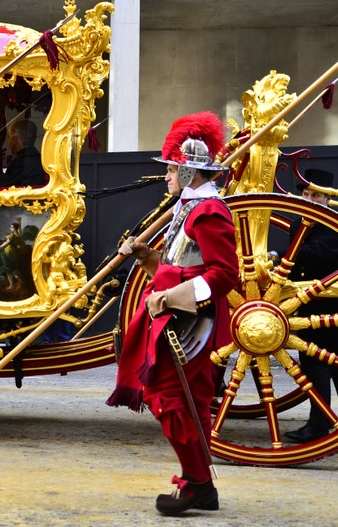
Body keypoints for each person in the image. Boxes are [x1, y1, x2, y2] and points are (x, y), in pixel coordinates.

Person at [107, 111, 239, 516]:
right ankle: (198, 481)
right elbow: (181, 262)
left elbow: (223, 275)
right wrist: (148, 257)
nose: (166, 176)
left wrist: (167, 299)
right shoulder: (191, 208)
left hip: (190, 322)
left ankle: (198, 483)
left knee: (168, 398)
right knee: (186, 401)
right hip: (180, 318)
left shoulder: (209, 212)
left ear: (188, 173)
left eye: (171, 169)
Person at [282, 168, 338, 443]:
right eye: (306, 193)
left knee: (328, 362)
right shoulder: (297, 224)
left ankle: (321, 423)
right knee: (333, 362)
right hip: (307, 303)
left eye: (317, 195)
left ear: (327, 200)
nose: (310, 199)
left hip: (335, 304)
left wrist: (280, 258)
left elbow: (316, 255)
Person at [0, 119, 45, 188]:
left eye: (10, 138)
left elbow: (4, 185)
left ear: (14, 140)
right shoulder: (40, 159)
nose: (9, 143)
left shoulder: (21, 162)